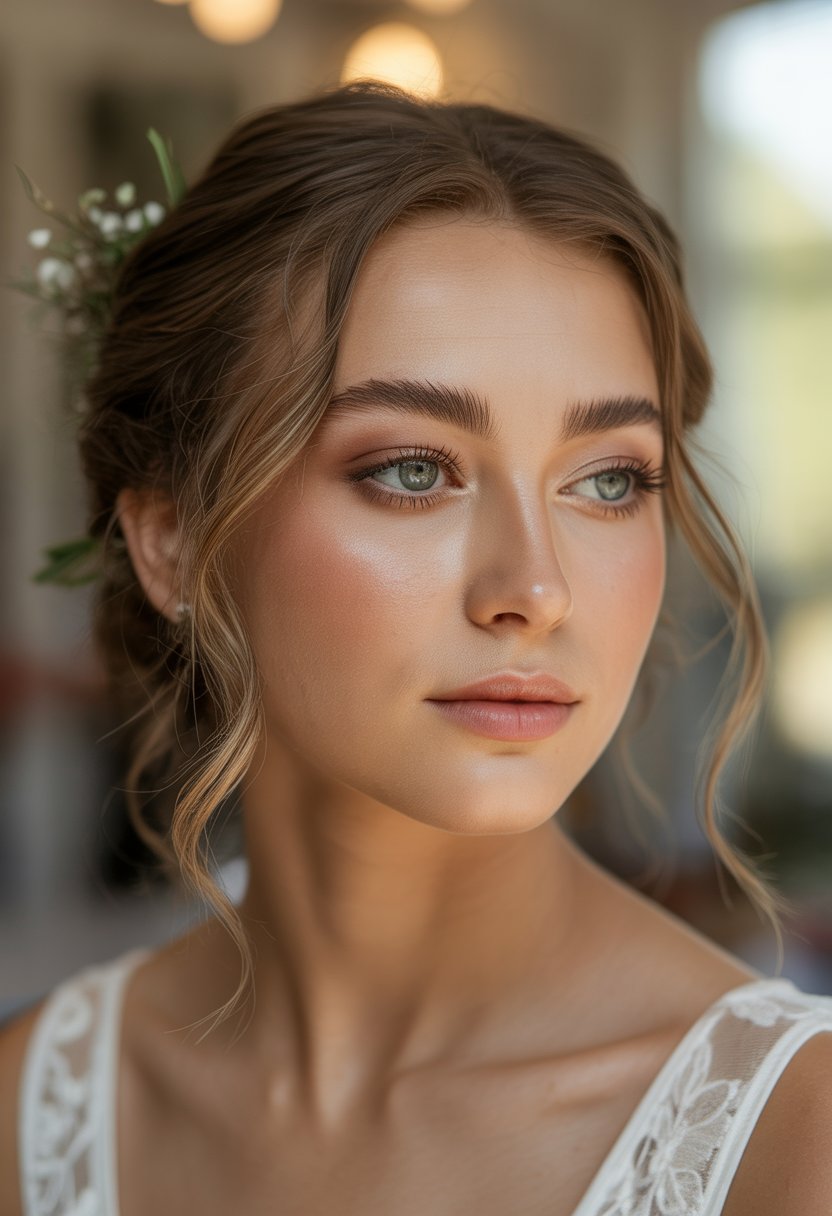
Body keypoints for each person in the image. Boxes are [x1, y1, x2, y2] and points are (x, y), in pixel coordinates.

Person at [2, 81, 831, 1216]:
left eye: (607, 481)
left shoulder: (796, 1144)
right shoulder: (33, 1116)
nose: (534, 590)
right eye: (412, 470)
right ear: (174, 540)